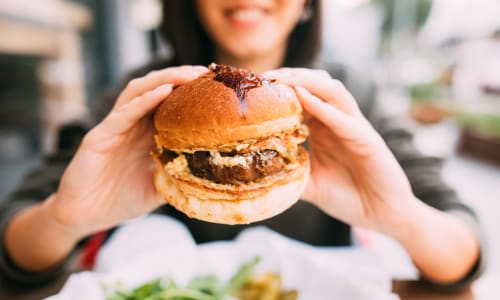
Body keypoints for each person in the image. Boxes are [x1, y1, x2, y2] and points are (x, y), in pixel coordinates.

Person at [0, 0, 484, 289]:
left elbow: (465, 252)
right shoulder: (142, 95)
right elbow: (15, 248)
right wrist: (65, 219)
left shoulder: (345, 96)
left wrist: (400, 217)